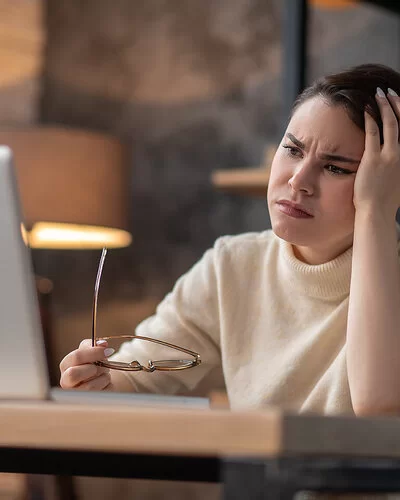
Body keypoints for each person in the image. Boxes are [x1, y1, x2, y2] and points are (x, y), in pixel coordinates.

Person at [60, 63, 400, 417]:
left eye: (335, 168)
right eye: (293, 150)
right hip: (255, 474)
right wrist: (95, 381)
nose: (299, 180)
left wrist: (377, 211)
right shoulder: (233, 267)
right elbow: (133, 379)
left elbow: (380, 409)